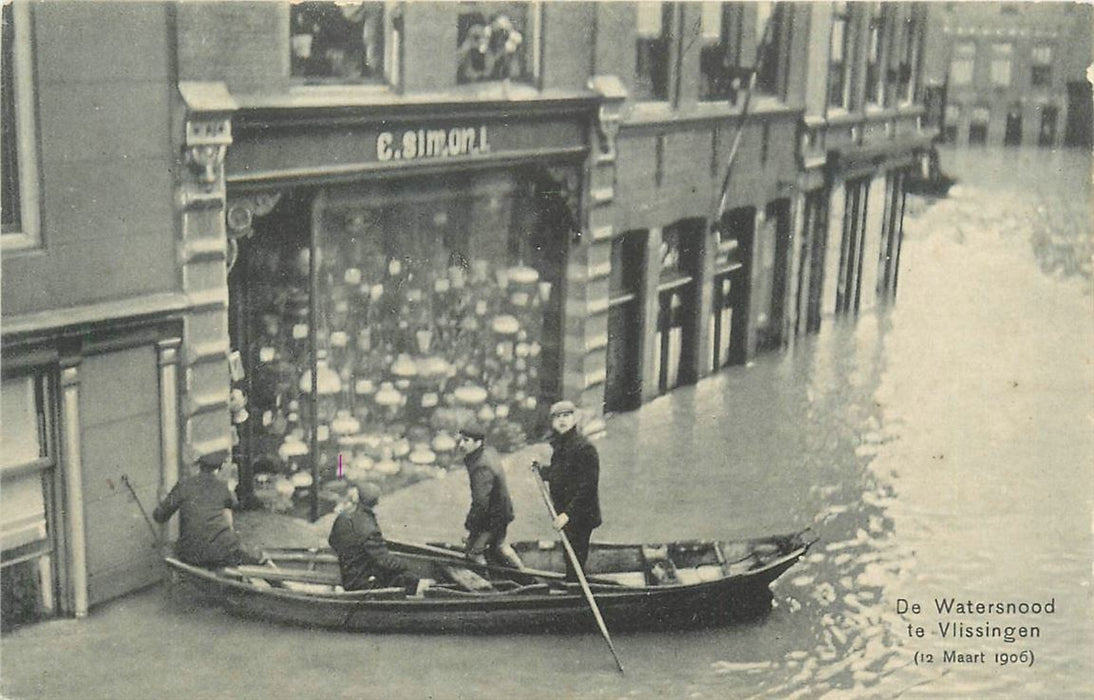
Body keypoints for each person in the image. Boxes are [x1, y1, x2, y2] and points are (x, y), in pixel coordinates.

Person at [153, 449, 264, 568]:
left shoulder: (183, 485)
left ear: (198, 466)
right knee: (248, 555)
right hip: (223, 551)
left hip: (192, 553)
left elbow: (159, 516)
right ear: (219, 468)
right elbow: (234, 504)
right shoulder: (222, 487)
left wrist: (164, 500)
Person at [535, 400, 602, 582]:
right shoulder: (561, 444)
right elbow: (562, 474)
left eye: (566, 416)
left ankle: (576, 593)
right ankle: (572, 584)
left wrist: (567, 515)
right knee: (569, 556)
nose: (562, 421)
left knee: (575, 560)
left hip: (580, 515)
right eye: (557, 417)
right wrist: (543, 471)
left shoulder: (584, 448)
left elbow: (587, 487)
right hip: (566, 513)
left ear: (574, 418)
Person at [328, 481, 425, 594]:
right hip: (363, 583)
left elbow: (332, 541)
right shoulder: (370, 528)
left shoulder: (343, 517)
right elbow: (384, 561)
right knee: (410, 578)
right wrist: (409, 565)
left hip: (346, 577)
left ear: (358, 499)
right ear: (376, 502)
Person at [456, 424, 523, 569]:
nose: (461, 444)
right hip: (500, 514)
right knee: (499, 547)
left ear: (478, 442)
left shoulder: (481, 466)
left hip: (492, 519)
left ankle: (485, 586)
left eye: (466, 440)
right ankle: (528, 577)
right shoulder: (486, 453)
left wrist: (470, 526)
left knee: (474, 553)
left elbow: (481, 502)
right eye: (461, 440)